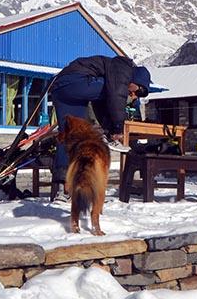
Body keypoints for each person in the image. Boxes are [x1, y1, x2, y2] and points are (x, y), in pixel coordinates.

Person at [49, 55, 151, 196]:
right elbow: (116, 97)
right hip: (76, 81)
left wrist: (109, 130)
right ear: (136, 79)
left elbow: (101, 105)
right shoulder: (123, 67)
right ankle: (107, 136)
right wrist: (118, 128)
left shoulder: (111, 74)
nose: (134, 95)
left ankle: (62, 188)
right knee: (113, 91)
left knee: (71, 134)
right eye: (139, 91)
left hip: (61, 89)